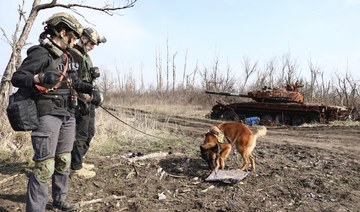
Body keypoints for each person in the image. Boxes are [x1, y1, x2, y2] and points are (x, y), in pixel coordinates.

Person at [11, 12, 101, 211]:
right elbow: (17, 78)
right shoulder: (40, 53)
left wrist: (89, 89)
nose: (75, 40)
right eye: (73, 36)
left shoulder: (67, 56)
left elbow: (73, 81)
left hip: (68, 114)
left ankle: (60, 201)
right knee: (45, 166)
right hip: (47, 114)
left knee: (64, 160)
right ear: (62, 32)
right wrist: (39, 77)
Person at [69, 27, 105, 178]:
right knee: (81, 134)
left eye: (94, 45)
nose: (92, 47)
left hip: (88, 100)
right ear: (83, 38)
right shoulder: (73, 54)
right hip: (80, 101)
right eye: (91, 44)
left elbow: (85, 77)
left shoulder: (84, 55)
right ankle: (75, 167)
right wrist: (87, 95)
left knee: (90, 132)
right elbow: (74, 83)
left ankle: (79, 160)